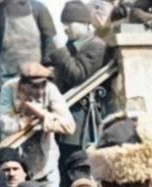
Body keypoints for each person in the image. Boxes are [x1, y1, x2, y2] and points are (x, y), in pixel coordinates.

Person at [0, 62, 76, 187]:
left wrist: (42, 114)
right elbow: (5, 124)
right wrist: (23, 121)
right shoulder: (9, 88)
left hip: (45, 164)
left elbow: (69, 125)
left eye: (42, 85)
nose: (40, 91)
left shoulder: (51, 89)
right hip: (18, 165)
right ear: (23, 84)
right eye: (34, 86)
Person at [47, 1, 109, 173]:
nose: (65, 28)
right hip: (68, 118)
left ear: (85, 23)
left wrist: (60, 50)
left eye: (69, 23)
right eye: (63, 24)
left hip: (83, 122)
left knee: (79, 168)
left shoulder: (96, 46)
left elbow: (77, 75)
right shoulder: (71, 46)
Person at [0, 0, 56, 87]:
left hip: (36, 72)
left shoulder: (39, 8)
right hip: (8, 73)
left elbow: (49, 39)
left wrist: (48, 65)